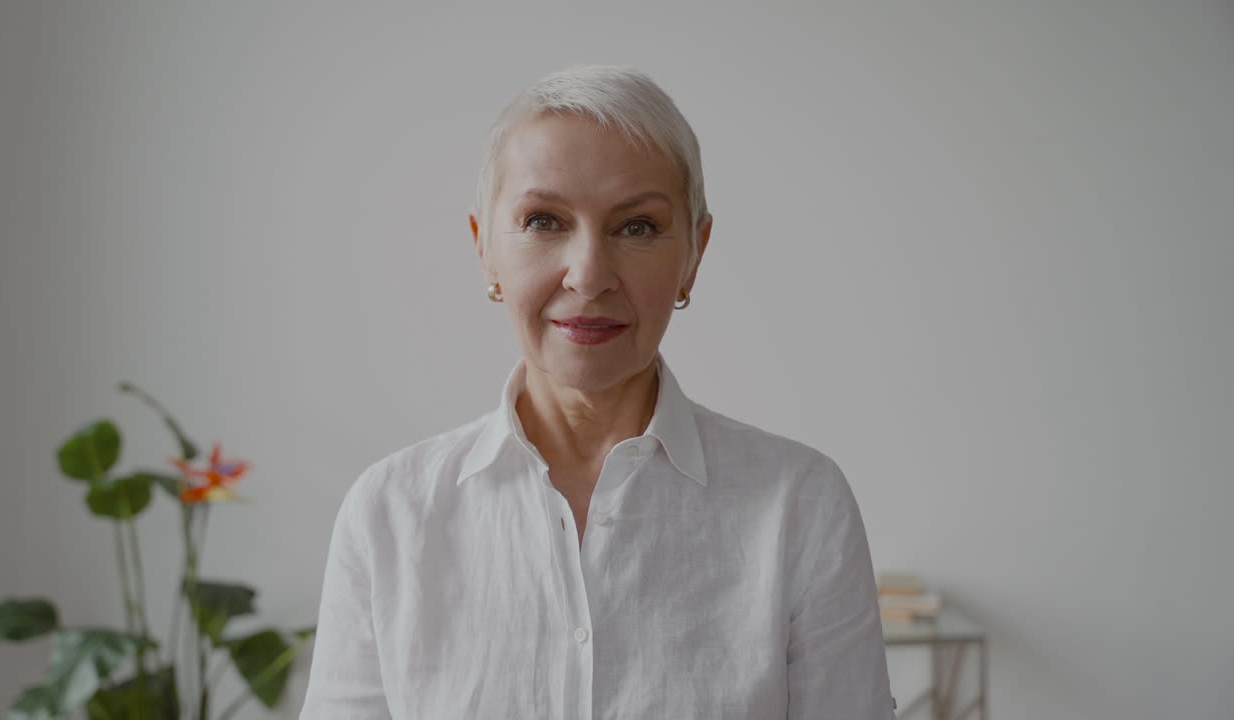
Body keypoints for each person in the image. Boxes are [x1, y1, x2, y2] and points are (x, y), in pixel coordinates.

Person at [300, 64, 895, 719]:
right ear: (485, 250)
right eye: (543, 220)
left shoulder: (800, 507)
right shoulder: (389, 515)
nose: (588, 274)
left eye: (636, 226)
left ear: (694, 253)